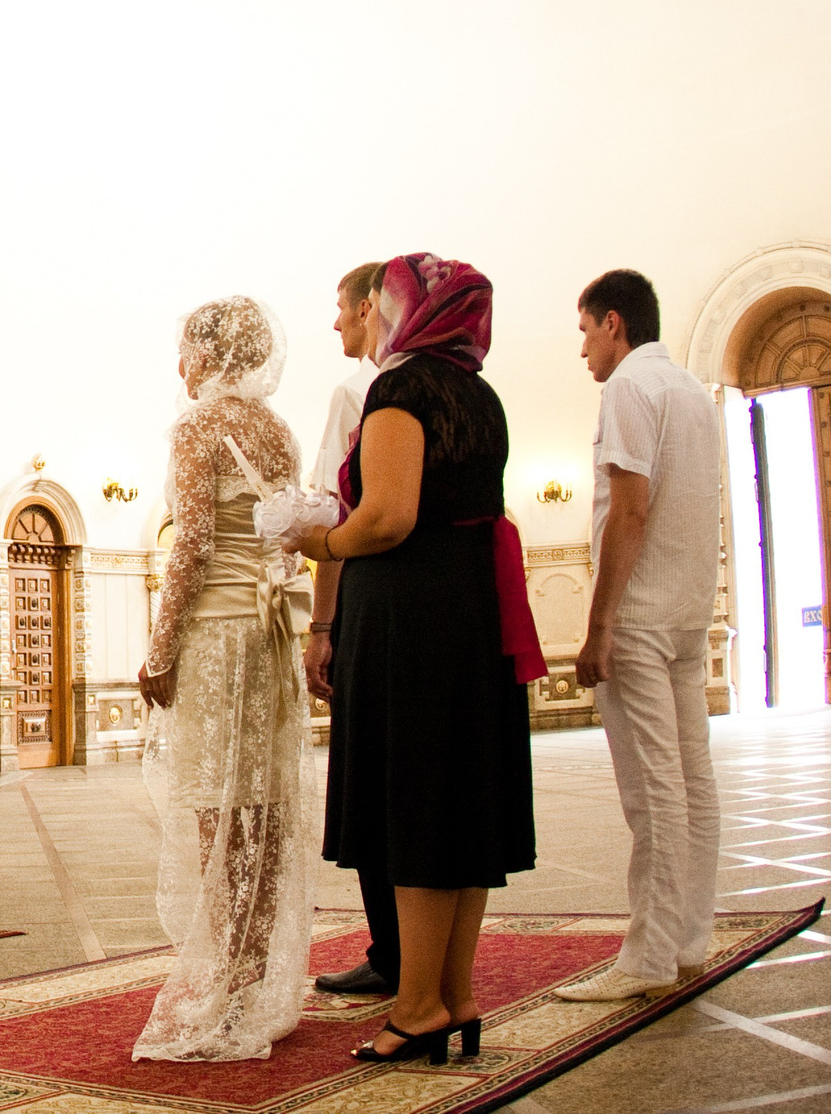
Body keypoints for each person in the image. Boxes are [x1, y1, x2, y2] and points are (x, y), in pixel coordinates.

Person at [293, 254, 538, 1066]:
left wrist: (318, 540)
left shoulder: (400, 390)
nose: (341, 321)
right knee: (461, 807)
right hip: (471, 616)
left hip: (415, 622)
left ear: (402, 309)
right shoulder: (478, 391)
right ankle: (454, 994)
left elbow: (389, 517)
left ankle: (419, 1003)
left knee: (419, 809)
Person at [132, 298, 313, 1061]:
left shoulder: (198, 426)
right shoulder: (278, 430)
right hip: (269, 635)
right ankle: (253, 971)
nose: (180, 366)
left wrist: (160, 649)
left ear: (210, 354)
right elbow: (286, 541)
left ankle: (228, 979)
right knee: (265, 805)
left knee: (216, 806)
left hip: (213, 633)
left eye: (185, 350)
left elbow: (193, 545)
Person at [556, 269, 725, 1001]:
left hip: (642, 617)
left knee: (652, 789)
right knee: (691, 778)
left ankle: (650, 956)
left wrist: (599, 625)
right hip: (687, 610)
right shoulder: (691, 390)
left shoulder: (627, 387)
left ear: (615, 323)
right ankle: (688, 935)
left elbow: (629, 509)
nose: (584, 349)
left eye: (586, 331)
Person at [306, 262, 397, 999]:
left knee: (371, 782)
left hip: (370, 600)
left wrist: (320, 625)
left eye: (341, 309)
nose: (336, 324)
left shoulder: (358, 392)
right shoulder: (455, 385)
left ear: (370, 307)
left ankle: (391, 951)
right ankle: (425, 959)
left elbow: (334, 512)